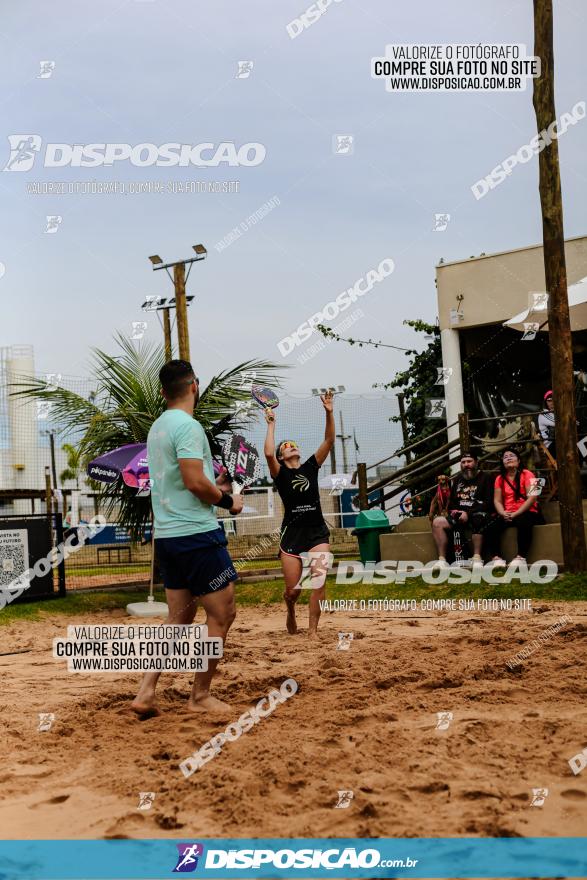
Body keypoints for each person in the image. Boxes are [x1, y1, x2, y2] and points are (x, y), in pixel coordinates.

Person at [131, 360, 244, 717]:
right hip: (196, 534)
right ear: (195, 385)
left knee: (178, 617)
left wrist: (215, 485)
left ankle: (146, 691)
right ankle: (200, 696)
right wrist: (228, 500)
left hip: (168, 536)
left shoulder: (158, 428)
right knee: (223, 614)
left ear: (163, 392)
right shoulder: (189, 427)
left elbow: (186, 480)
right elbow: (195, 483)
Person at [264, 391, 335, 637]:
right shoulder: (280, 475)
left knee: (319, 579)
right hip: (292, 535)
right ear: (283, 458)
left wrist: (328, 412)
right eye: (287, 447)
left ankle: (313, 630)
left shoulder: (310, 467)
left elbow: (328, 441)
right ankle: (291, 609)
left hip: (316, 532)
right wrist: (271, 425)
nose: (291, 447)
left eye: (294, 445)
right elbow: (268, 454)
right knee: (293, 591)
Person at [431, 451, 494, 566]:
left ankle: (477, 558)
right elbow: (453, 501)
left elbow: (489, 503)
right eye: (463, 462)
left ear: (476, 462)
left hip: (478, 514)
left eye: (469, 461)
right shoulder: (458, 479)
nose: (466, 464)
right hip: (459, 515)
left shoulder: (486, 478)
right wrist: (457, 512)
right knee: (437, 522)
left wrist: (468, 513)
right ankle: (442, 560)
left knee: (478, 518)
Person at [489, 447, 541, 564]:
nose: (508, 458)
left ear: (519, 460)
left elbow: (533, 498)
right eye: (505, 457)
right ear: (502, 462)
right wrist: (503, 513)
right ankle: (496, 557)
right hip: (508, 513)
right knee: (490, 523)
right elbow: (497, 500)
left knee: (523, 521)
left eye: (511, 456)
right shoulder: (499, 478)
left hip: (527, 512)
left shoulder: (528, 473)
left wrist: (516, 513)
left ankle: (521, 557)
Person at [538, 390, 556, 459]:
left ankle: (582, 461)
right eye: (549, 400)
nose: (552, 403)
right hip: (551, 446)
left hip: (561, 441)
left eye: (554, 399)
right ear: (545, 402)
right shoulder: (543, 414)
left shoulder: (558, 412)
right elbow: (558, 423)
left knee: (582, 437)